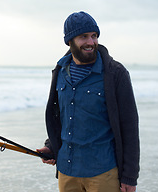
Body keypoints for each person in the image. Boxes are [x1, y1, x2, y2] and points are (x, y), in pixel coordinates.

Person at [37, 11, 140, 192]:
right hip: (67, 171)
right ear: (70, 41)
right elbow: (63, 117)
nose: (91, 42)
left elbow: (130, 127)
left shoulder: (115, 73)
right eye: (83, 37)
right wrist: (51, 145)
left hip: (103, 172)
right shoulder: (60, 72)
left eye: (94, 36)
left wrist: (130, 177)